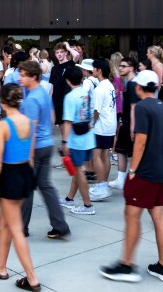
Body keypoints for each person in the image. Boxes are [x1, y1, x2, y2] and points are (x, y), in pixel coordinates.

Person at [100, 70, 163, 283]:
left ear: (139, 88)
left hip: (145, 172)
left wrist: (132, 170)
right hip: (161, 169)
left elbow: (140, 141)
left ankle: (126, 265)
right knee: (158, 216)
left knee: (132, 216)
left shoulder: (142, 107)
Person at [0, 84, 42, 291]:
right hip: (25, 172)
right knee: (5, 223)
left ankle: (32, 278)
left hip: (10, 176)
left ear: (2, 101)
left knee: (15, 228)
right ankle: (0, 267)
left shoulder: (2, 125)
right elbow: (30, 153)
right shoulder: (27, 121)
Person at [18, 60, 70, 239]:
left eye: (23, 75)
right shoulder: (43, 93)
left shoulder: (32, 99)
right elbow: (53, 116)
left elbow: (31, 130)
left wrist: (29, 156)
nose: (20, 78)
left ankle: (21, 227)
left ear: (34, 77)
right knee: (46, 186)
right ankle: (60, 225)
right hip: (46, 144)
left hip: (37, 147)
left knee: (26, 188)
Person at [59, 66, 96, 215]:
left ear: (68, 81)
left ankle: (88, 206)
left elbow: (67, 122)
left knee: (79, 171)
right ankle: (69, 199)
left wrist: (64, 142)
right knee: (77, 168)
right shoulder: (86, 93)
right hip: (88, 136)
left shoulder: (70, 97)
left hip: (76, 140)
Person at [89, 59, 117, 202]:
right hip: (110, 124)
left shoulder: (99, 88)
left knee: (96, 156)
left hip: (101, 126)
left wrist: (91, 124)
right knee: (105, 155)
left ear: (99, 70)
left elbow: (96, 111)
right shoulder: (109, 85)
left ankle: (101, 186)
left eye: (93, 68)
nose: (92, 70)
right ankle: (103, 184)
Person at [110, 57, 138, 190]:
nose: (120, 68)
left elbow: (134, 106)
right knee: (122, 150)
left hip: (129, 124)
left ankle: (124, 179)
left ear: (131, 68)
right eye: (120, 66)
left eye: (124, 66)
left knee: (122, 150)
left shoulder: (132, 84)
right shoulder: (130, 83)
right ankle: (123, 179)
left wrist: (132, 127)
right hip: (128, 122)